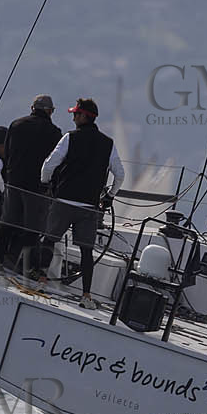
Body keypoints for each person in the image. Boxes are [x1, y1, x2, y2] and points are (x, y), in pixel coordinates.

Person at [36, 97, 124, 309]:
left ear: (84, 116)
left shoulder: (70, 137)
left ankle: (41, 283)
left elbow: (49, 165)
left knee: (49, 240)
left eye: (76, 114)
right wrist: (110, 196)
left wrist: (44, 183)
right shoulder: (108, 143)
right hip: (89, 207)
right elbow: (120, 174)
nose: (73, 117)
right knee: (86, 251)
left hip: (64, 201)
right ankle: (86, 295)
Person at [0, 95, 63, 273]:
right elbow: (55, 163)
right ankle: (18, 263)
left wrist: (8, 176)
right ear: (49, 111)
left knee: (7, 222)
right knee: (32, 227)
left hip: (13, 181)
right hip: (37, 187)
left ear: (33, 108)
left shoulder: (16, 124)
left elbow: (7, 153)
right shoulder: (54, 133)